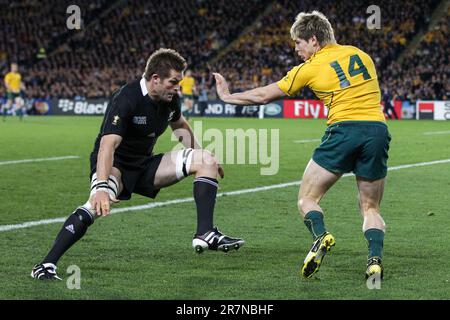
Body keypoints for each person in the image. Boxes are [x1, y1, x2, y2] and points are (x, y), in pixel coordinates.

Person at [31, 48, 244, 280]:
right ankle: (45, 265)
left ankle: (205, 233)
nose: (177, 87)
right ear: (155, 79)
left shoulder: (170, 99)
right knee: (93, 208)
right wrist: (101, 186)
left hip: (145, 165)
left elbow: (180, 125)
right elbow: (107, 146)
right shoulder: (127, 97)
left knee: (205, 159)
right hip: (116, 166)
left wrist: (204, 156)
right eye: (173, 82)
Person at [213, 11, 390, 280]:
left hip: (344, 130)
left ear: (314, 40)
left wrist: (228, 96)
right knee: (371, 207)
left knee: (307, 198)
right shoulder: (360, 54)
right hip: (377, 131)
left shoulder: (309, 68)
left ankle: (321, 236)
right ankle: (374, 262)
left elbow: (263, 96)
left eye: (298, 43)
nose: (296, 49)